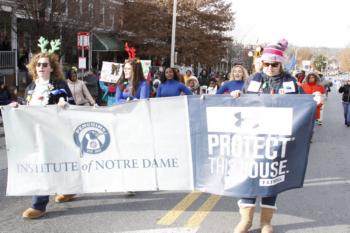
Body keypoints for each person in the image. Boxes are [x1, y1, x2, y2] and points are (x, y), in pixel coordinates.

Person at [233, 39, 299, 233]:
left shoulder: (289, 81)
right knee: (249, 176)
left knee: (272, 178)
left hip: (277, 139)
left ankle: (265, 221)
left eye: (274, 64)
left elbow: (303, 102)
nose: (270, 67)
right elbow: (243, 99)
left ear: (281, 64)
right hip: (252, 138)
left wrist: (316, 100)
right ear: (262, 63)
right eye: (266, 63)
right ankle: (246, 220)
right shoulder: (254, 79)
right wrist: (237, 95)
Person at [10, 38, 76, 219]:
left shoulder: (59, 85)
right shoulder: (31, 87)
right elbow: (26, 107)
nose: (41, 67)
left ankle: (39, 205)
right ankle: (64, 191)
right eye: (38, 64)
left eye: (45, 65)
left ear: (52, 68)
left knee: (51, 166)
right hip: (36, 135)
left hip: (55, 134)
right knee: (44, 167)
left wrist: (64, 103)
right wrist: (17, 106)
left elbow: (71, 104)